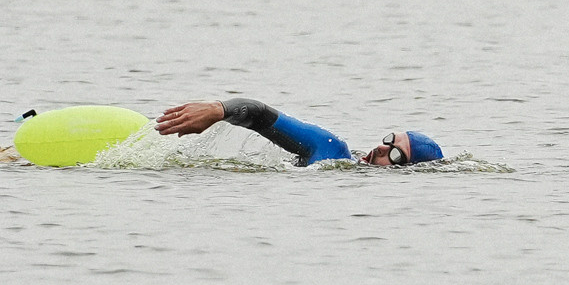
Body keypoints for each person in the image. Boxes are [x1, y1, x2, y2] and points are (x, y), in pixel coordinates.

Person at [155, 98, 446, 167]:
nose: (383, 149)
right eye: (389, 140)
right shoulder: (334, 150)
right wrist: (217, 109)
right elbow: (257, 112)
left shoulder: (337, 160)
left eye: (396, 155)